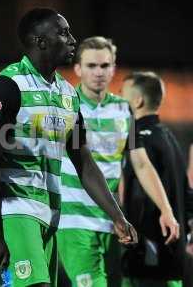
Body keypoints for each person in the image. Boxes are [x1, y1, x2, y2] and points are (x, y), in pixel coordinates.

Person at [0, 8, 137, 287]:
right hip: (13, 210)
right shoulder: (6, 86)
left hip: (50, 214)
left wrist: (117, 216)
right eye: (63, 33)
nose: (73, 39)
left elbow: (84, 162)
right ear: (41, 41)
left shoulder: (67, 93)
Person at [57, 37, 179, 287]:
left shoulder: (124, 110)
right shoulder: (64, 106)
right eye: (91, 66)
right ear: (78, 69)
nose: (98, 72)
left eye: (105, 65)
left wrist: (166, 210)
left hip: (115, 222)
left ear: (114, 68)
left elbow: (141, 164)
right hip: (73, 219)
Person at [121, 71, 193, 287]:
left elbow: (139, 194)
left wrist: (134, 233)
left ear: (137, 100)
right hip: (173, 254)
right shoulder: (168, 137)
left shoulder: (137, 139)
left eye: (121, 94)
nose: (116, 99)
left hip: (149, 252)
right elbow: (187, 192)